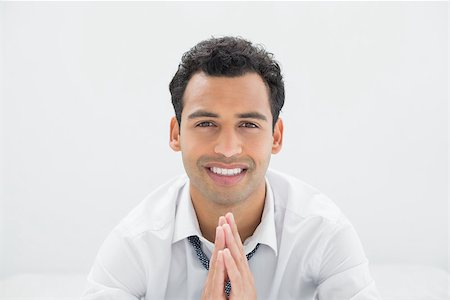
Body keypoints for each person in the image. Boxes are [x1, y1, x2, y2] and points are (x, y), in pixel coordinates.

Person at [81, 36, 381, 300]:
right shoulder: (136, 242)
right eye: (206, 123)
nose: (227, 148)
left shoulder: (322, 232)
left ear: (276, 137)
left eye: (248, 124)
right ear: (176, 134)